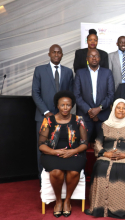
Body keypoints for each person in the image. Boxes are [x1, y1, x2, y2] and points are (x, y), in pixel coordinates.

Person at [85, 99, 125, 218]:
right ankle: (98, 207)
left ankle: (121, 209)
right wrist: (105, 154)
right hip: (107, 154)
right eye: (118, 107)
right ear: (113, 108)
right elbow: (97, 143)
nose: (121, 110)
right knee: (101, 167)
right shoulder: (105, 125)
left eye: (124, 108)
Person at [39, 91, 87, 218]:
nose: (65, 108)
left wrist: (73, 151)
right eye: (62, 105)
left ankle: (67, 201)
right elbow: (41, 145)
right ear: (57, 106)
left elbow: (84, 144)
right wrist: (55, 152)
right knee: (56, 172)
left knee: (74, 172)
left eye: (68, 105)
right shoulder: (48, 120)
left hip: (75, 153)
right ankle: (58, 201)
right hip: (52, 154)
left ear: (72, 106)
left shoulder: (79, 120)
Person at [32, 44, 74, 179]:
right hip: (43, 117)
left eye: (59, 52)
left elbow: (71, 94)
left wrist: (64, 112)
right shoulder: (39, 70)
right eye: (54, 52)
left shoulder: (68, 72)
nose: (56, 54)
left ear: (62, 55)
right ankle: (42, 179)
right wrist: (46, 112)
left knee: (62, 145)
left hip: (63, 118)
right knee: (43, 147)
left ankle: (59, 177)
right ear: (49, 54)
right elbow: (35, 93)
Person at [74, 49, 115, 142]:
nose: (94, 58)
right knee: (83, 144)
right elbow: (76, 95)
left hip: (103, 116)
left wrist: (99, 108)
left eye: (96, 56)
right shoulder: (80, 73)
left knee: (105, 145)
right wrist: (89, 110)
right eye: (91, 56)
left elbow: (111, 94)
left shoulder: (107, 72)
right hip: (85, 116)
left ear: (100, 58)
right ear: (87, 59)